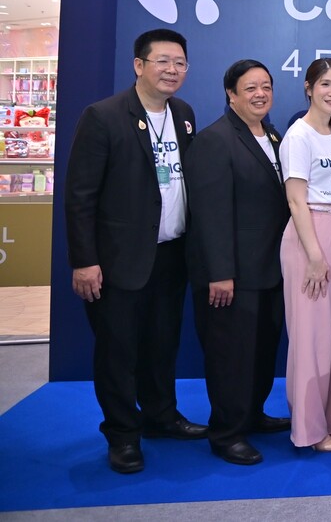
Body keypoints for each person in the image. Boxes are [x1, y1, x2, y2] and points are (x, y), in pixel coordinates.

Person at [65, 28, 205, 474]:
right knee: (118, 352)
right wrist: (85, 261)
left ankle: (161, 417)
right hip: (118, 261)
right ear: (138, 65)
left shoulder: (184, 114)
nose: (172, 70)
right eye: (163, 61)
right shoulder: (103, 116)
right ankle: (123, 434)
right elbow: (80, 196)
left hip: (171, 255)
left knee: (162, 345)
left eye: (180, 63)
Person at [186, 59, 291, 466]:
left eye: (266, 86)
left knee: (262, 351)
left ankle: (252, 414)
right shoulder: (215, 140)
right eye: (250, 88)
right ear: (231, 94)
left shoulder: (273, 135)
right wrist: (221, 273)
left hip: (270, 269)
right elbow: (209, 214)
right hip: (232, 275)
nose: (260, 94)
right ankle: (226, 433)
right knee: (231, 357)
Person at [279, 58, 331, 451]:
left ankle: (330, 420)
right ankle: (308, 431)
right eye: (325, 84)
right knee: (311, 337)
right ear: (309, 88)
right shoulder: (299, 136)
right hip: (311, 232)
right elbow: (295, 199)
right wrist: (313, 254)